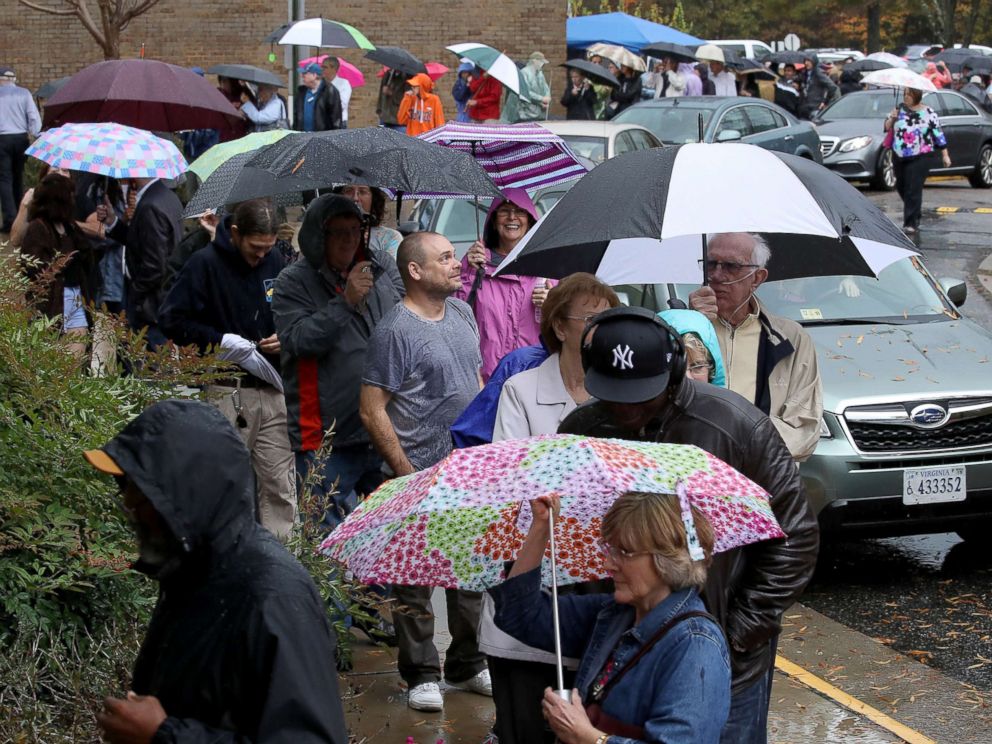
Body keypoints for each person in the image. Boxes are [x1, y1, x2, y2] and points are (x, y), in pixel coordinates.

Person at [558, 306, 820, 744]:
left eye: (642, 395)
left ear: (676, 372)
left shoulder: (735, 425)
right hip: (625, 652)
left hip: (726, 661)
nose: (627, 410)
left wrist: (736, 632)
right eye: (615, 394)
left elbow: (795, 537)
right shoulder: (582, 428)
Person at [85, 399, 348, 743]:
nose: (129, 504)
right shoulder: (193, 573)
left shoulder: (272, 597)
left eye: (142, 490)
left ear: (187, 494)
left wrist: (163, 735)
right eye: (127, 487)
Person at [360, 231, 491, 712]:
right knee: (414, 579)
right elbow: (371, 408)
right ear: (414, 271)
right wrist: (404, 471)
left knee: (469, 574)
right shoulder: (395, 329)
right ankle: (420, 673)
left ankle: (468, 663)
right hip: (415, 470)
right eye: (445, 258)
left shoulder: (461, 312)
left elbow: (474, 381)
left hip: (465, 468)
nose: (457, 264)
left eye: (454, 256)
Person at [491, 492, 731, 744]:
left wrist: (587, 737)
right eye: (610, 549)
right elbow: (520, 616)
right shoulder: (616, 614)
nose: (608, 564)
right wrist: (541, 526)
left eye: (624, 552)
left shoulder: (696, 645)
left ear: (668, 559)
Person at [159, 198, 297, 540]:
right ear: (235, 233)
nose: (261, 256)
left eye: (267, 248)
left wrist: (286, 334)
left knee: (280, 487)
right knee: (224, 484)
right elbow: (171, 319)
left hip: (272, 387)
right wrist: (220, 340)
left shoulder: (275, 260)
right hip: (227, 389)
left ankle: (282, 566)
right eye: (255, 248)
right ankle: (224, 557)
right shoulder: (203, 264)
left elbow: (288, 308)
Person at [272, 195, 403, 529]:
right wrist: (345, 302)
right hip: (325, 435)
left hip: (381, 426)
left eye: (355, 230)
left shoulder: (382, 269)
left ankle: (378, 586)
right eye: (339, 232)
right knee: (325, 537)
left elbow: (404, 325)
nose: (349, 239)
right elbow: (299, 341)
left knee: (386, 532)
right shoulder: (292, 281)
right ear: (319, 236)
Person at [687, 233, 823, 462]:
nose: (717, 275)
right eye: (711, 264)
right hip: (698, 471)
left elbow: (803, 427)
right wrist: (689, 324)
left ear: (757, 278)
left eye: (731, 266)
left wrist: (738, 447)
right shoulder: (683, 328)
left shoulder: (791, 338)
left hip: (762, 475)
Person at [494, 273, 619, 440]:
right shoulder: (519, 390)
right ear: (560, 328)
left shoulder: (622, 387)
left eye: (608, 319)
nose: (603, 329)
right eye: (592, 319)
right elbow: (508, 461)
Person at [456, 188, 551, 381]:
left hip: (534, 377)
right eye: (504, 211)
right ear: (493, 218)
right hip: (485, 379)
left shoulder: (547, 265)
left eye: (520, 211)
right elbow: (456, 315)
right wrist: (468, 272)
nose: (512, 217)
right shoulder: (476, 262)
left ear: (530, 219)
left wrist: (553, 303)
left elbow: (564, 326)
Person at [98, 175, 184, 349]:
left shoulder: (151, 205)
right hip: (157, 297)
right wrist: (113, 222)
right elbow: (141, 243)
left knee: (147, 363)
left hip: (150, 303)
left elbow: (154, 265)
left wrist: (135, 296)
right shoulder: (166, 196)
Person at [19, 172, 95, 359]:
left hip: (76, 297)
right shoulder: (38, 228)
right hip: (53, 302)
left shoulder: (70, 227)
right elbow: (33, 268)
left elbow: (88, 257)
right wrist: (60, 265)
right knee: (52, 359)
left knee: (76, 358)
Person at [884, 88, 951, 234]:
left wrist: (945, 155)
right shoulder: (898, 109)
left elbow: (938, 134)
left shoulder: (929, 112)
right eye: (905, 94)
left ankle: (910, 223)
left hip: (921, 155)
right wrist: (892, 118)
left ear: (917, 96)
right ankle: (915, 212)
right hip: (899, 154)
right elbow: (886, 127)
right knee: (901, 186)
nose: (906, 97)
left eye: (910, 95)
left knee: (913, 188)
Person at [0, 66, 41, 234]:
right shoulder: (24, 93)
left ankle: (10, 220)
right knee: (18, 177)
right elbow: (33, 116)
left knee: (4, 179)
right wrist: (36, 134)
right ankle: (20, 217)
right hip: (21, 138)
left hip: (2, 139)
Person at [333, 183, 403, 258]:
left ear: (374, 198)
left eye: (363, 191)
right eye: (348, 191)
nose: (355, 198)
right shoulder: (328, 234)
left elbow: (390, 268)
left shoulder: (390, 237)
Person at [294, 62, 342, 132]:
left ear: (314, 75)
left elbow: (336, 117)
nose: (302, 76)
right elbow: (296, 115)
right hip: (302, 136)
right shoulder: (301, 92)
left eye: (305, 73)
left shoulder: (330, 91)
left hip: (321, 137)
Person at [504, 52, 552, 123]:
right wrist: (541, 99)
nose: (543, 64)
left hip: (539, 114)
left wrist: (547, 98)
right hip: (525, 115)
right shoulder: (524, 73)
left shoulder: (540, 74)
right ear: (534, 61)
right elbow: (525, 92)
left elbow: (546, 88)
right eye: (541, 62)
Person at [397, 72, 445, 136]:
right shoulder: (410, 98)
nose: (412, 88)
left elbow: (440, 122)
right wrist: (406, 99)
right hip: (411, 139)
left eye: (415, 86)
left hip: (428, 139)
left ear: (422, 86)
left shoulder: (434, 100)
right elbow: (401, 120)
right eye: (412, 86)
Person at [798, 54, 839, 119]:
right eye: (805, 61)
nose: (806, 63)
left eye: (809, 61)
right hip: (805, 107)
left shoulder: (818, 73)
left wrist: (825, 101)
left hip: (815, 107)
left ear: (814, 61)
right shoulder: (805, 73)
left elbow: (832, 87)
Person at [322, 56, 352, 128]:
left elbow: (342, 104)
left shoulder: (344, 83)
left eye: (325, 67)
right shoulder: (321, 83)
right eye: (322, 67)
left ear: (334, 69)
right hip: (322, 121)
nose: (322, 69)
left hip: (338, 122)